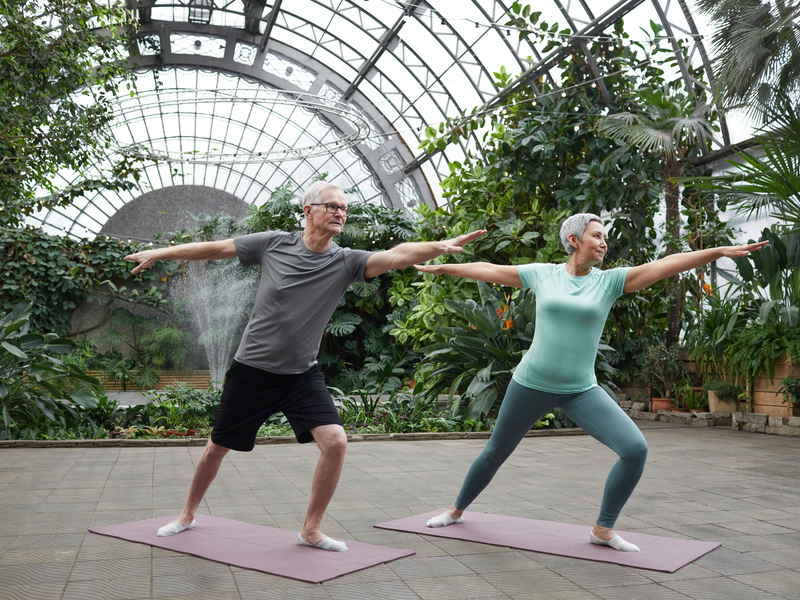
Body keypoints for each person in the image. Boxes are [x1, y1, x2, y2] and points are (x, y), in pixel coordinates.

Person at [124, 181, 485, 551]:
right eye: (332, 206)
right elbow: (217, 249)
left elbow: (395, 255)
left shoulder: (346, 261)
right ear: (308, 210)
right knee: (217, 446)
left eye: (344, 209)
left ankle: (311, 530)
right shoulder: (274, 243)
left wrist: (439, 247)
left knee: (336, 443)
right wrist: (163, 253)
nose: (340, 213)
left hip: (301, 374)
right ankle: (186, 514)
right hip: (252, 369)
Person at [415, 213, 767, 552]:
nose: (604, 243)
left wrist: (717, 251)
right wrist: (445, 265)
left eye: (605, 237)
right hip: (530, 384)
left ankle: (603, 528)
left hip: (580, 390)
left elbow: (667, 264)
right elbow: (489, 270)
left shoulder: (610, 281)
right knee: (495, 452)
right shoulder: (543, 275)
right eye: (596, 236)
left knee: (635, 449)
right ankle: (456, 510)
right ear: (573, 240)